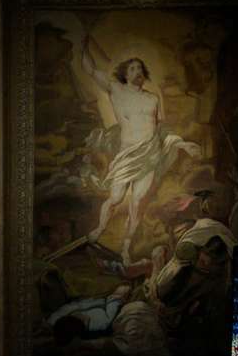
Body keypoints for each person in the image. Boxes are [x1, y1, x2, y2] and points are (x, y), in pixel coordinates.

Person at [79, 36, 201, 263]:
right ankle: (99, 229)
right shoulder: (116, 90)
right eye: (133, 68)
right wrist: (84, 47)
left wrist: (183, 144)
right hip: (127, 153)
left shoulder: (152, 99)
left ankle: (126, 246)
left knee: (137, 203)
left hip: (150, 154)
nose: (137, 71)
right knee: (115, 198)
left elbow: (160, 129)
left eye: (140, 68)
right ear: (125, 73)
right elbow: (91, 69)